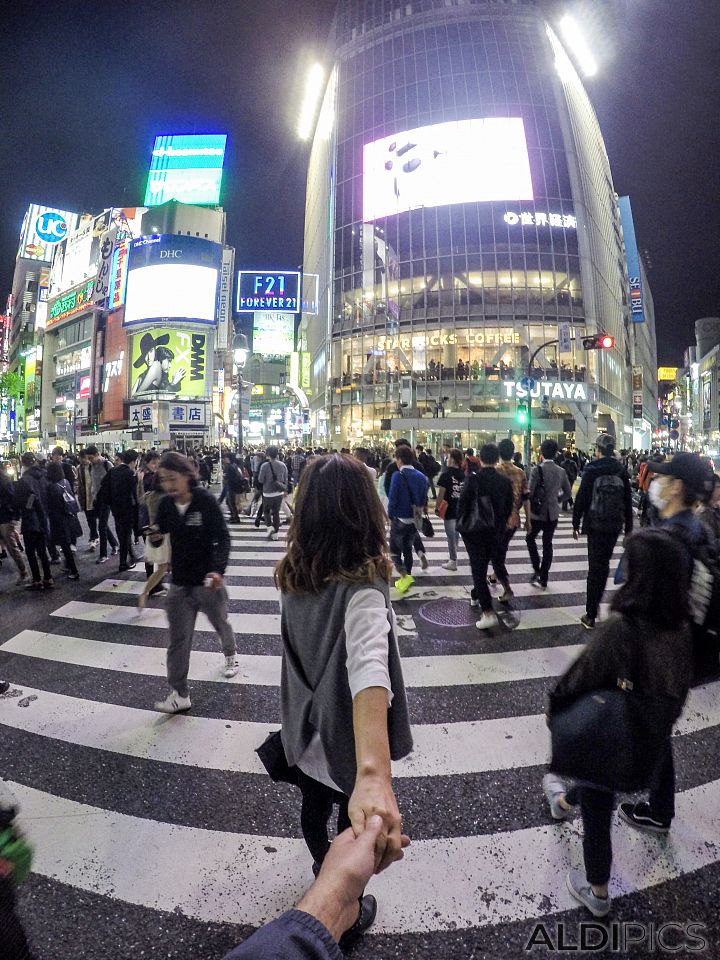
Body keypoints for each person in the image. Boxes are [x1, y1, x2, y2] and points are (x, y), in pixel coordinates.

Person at [274, 453, 413, 944]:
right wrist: (374, 772)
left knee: (314, 805)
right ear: (364, 512)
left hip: (302, 729)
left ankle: (320, 868)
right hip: (342, 733)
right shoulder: (364, 587)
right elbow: (370, 669)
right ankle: (342, 906)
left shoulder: (294, 573)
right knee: (347, 818)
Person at [543, 529, 693, 917]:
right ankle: (561, 801)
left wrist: (555, 707)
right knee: (597, 782)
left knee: (597, 803)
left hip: (615, 734)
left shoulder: (622, 628)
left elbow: (579, 676)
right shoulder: (681, 628)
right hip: (651, 738)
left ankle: (598, 890)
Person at [221, 815, 408, 960]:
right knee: (352, 813)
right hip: (347, 771)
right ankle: (350, 913)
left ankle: (323, 863)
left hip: (308, 767)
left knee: (314, 803)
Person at [152, 452, 238, 712]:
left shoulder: (205, 500)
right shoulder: (166, 505)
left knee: (220, 622)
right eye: (164, 480)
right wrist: (154, 534)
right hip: (179, 584)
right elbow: (161, 534)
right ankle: (180, 692)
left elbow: (222, 538)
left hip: (207, 583)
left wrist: (217, 571)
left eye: (173, 479)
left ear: (188, 475)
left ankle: (230, 655)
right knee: (178, 640)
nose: (169, 485)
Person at [644, 453, 718, 681]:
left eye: (663, 477)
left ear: (676, 486)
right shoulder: (701, 532)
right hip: (684, 661)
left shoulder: (658, 543)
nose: (656, 482)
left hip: (658, 667)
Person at [572, 434, 633, 629]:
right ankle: (596, 602)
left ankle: (590, 613)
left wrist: (575, 522)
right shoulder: (620, 470)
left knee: (595, 567)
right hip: (614, 524)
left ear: (598, 450)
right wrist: (629, 528)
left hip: (595, 524)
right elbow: (627, 499)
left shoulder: (592, 469)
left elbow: (581, 497)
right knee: (604, 562)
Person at [457, 443, 513, 629]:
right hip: (496, 532)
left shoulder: (473, 480)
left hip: (475, 532)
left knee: (478, 571)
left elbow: (462, 506)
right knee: (488, 562)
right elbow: (508, 509)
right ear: (497, 459)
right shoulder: (505, 482)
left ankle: (488, 611)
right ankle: (477, 595)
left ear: (480, 459)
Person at [526, 439, 571, 589]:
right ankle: (544, 576)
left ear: (542, 452)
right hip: (553, 513)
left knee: (530, 538)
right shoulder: (561, 471)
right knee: (547, 543)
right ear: (556, 452)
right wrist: (556, 499)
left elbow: (530, 492)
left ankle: (536, 567)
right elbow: (568, 493)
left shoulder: (536, 470)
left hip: (538, 513)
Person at [491, 438, 531, 602]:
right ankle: (494, 575)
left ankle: (507, 588)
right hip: (514, 519)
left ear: (499, 453)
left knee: (496, 554)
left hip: (497, 520)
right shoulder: (520, 472)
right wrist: (528, 520)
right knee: (502, 548)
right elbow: (526, 497)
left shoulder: (495, 471)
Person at [387, 445, 429, 594]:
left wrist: (389, 516)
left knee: (394, 550)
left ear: (399, 459)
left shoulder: (397, 476)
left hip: (400, 518)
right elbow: (424, 499)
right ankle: (408, 575)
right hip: (414, 519)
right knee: (408, 549)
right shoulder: (421, 477)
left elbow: (393, 498)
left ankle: (404, 575)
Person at [14, 452, 54, 591]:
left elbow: (19, 502)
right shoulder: (43, 476)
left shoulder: (24, 480)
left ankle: (36, 580)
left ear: (23, 463)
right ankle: (48, 578)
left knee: (31, 552)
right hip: (44, 518)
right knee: (42, 551)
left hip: (30, 520)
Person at [138, 451, 169, 608]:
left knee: (158, 564)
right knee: (163, 564)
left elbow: (140, 499)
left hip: (151, 530)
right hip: (162, 532)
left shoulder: (150, 494)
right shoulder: (164, 496)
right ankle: (150, 589)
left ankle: (149, 589)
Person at [45, 462, 81, 580]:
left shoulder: (51, 487)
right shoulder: (65, 482)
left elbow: (51, 505)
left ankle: (74, 571)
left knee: (65, 546)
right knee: (67, 545)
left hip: (59, 519)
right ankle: (68, 566)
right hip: (70, 516)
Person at [107, 449, 139, 572]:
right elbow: (134, 493)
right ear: (133, 461)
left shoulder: (113, 471)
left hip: (116, 509)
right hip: (128, 509)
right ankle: (123, 563)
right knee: (126, 536)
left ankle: (125, 560)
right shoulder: (130, 473)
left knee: (121, 535)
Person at [87, 445, 118, 564]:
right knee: (103, 525)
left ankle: (103, 554)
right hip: (97, 499)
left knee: (101, 526)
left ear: (97, 454)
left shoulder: (107, 465)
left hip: (107, 499)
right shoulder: (91, 466)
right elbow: (93, 484)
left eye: (91, 458)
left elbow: (114, 482)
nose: (90, 460)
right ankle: (115, 544)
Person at [435, 448, 465, 570]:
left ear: (452, 459)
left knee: (450, 536)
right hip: (460, 509)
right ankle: (453, 556)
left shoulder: (446, 475)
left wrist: (437, 507)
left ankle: (453, 560)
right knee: (456, 534)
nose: (447, 460)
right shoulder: (464, 475)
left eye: (448, 457)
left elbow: (441, 493)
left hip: (449, 509)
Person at [0, 464, 30, 585]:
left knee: (11, 546)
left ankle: (24, 572)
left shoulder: (4, 479)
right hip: (4, 516)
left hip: (5, 517)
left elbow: (12, 498)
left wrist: (13, 516)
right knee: (9, 545)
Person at [258, 446, 288, 541]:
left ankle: (269, 526)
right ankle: (276, 535)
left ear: (267, 454)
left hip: (267, 492)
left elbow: (260, 479)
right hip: (279, 492)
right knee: (276, 513)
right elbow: (285, 479)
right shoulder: (282, 465)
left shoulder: (265, 466)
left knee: (266, 511)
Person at [76, 449, 98, 551]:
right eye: (82, 458)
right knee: (90, 520)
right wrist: (80, 499)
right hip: (85, 498)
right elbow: (79, 485)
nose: (85, 460)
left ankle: (94, 538)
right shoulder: (79, 468)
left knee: (95, 521)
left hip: (94, 498)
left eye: (86, 458)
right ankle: (94, 538)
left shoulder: (93, 466)